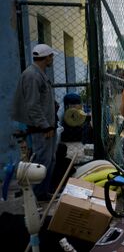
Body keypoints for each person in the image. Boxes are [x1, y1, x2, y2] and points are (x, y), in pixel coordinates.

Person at [11, 44, 59, 200]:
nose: (52, 59)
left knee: (49, 159)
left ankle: (42, 192)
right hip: (41, 128)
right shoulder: (32, 75)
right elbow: (33, 105)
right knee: (42, 161)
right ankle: (37, 194)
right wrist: (45, 126)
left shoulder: (38, 73)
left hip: (46, 126)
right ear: (46, 58)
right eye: (51, 56)